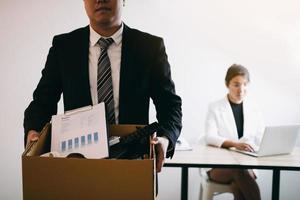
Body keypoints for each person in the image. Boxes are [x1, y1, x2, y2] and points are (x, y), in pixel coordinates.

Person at [23, 0, 182, 173]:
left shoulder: (149, 47)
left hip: (134, 164)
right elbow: (42, 103)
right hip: (77, 165)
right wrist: (34, 132)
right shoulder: (64, 47)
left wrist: (165, 138)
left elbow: (170, 106)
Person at [204, 64, 264, 200]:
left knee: (239, 184)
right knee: (239, 171)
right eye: (236, 84)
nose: (241, 90)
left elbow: (261, 138)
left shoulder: (254, 109)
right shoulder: (215, 107)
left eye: (244, 84)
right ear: (227, 84)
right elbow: (210, 137)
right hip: (218, 168)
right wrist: (235, 144)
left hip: (247, 165)